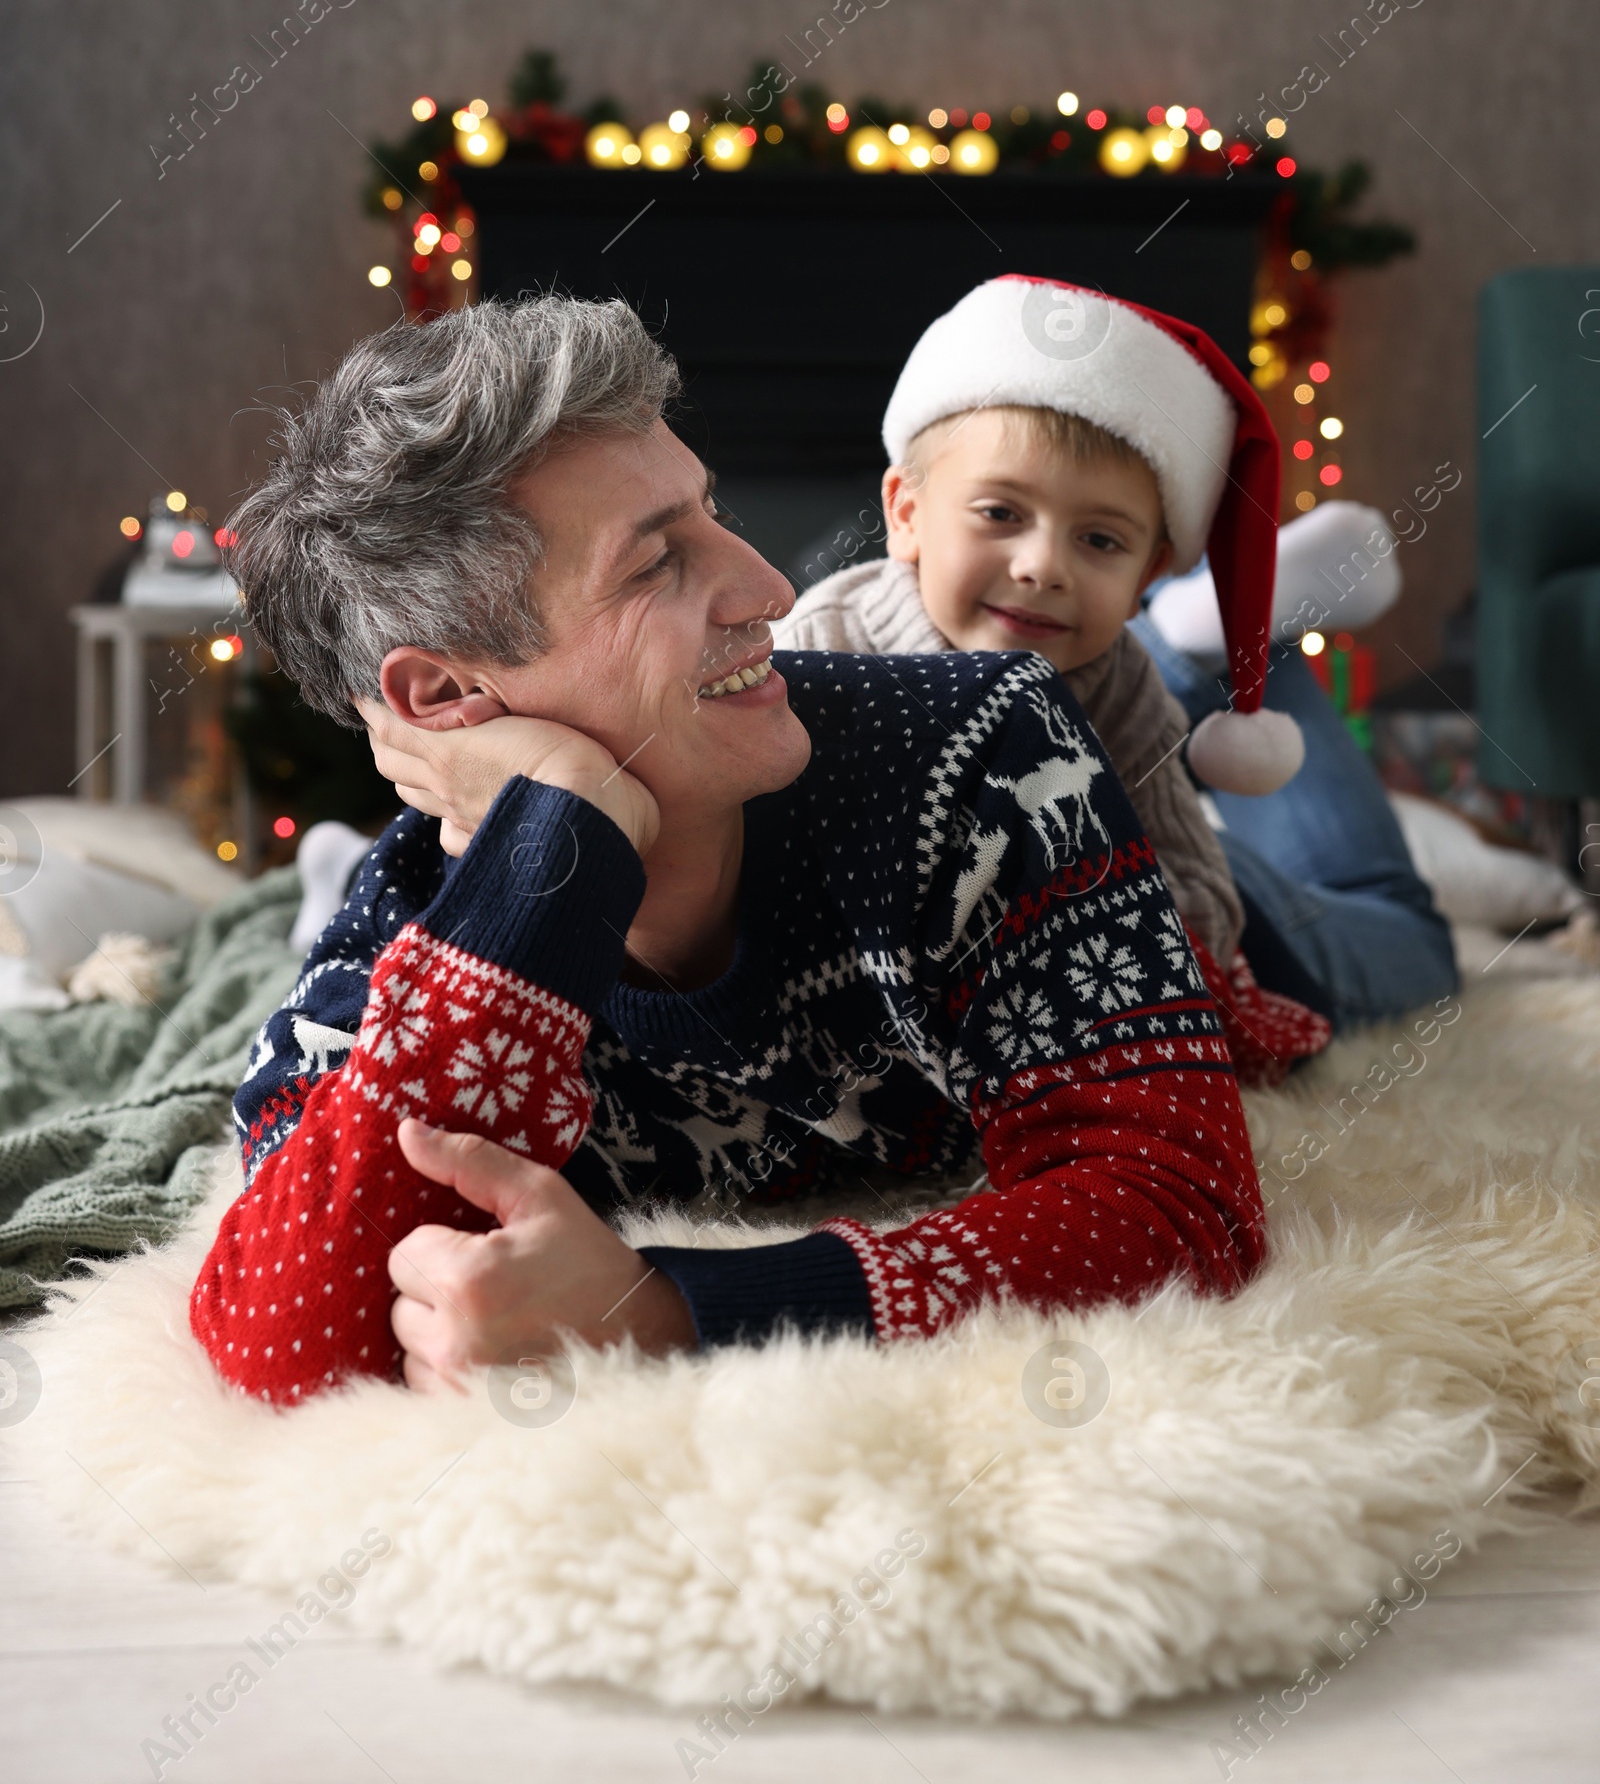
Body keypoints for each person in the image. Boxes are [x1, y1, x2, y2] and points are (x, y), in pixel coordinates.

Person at [192, 295, 1267, 1406]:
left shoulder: (985, 740)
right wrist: (565, 826)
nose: (770, 589)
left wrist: (674, 1310)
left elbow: (1182, 1199)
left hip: (1186, 893)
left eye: (712, 511)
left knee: (1341, 905)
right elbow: (282, 1339)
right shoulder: (421, 920)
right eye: (657, 563)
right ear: (452, 694)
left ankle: (1262, 693)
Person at [778, 275, 1458, 1042]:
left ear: (1147, 571)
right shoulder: (822, 645)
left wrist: (1098, 912)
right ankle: (1216, 636)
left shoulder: (1118, 683)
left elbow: (1199, 893)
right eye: (1000, 513)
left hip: (1218, 934)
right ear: (905, 513)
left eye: (1099, 539)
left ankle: (1225, 635)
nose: (1041, 565)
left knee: (1417, 944)